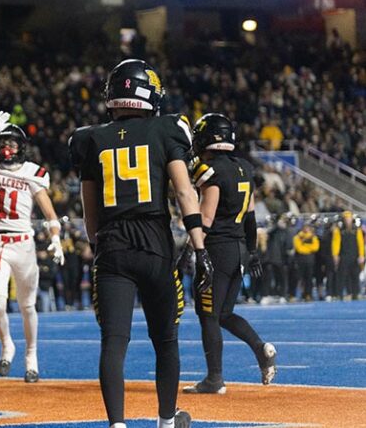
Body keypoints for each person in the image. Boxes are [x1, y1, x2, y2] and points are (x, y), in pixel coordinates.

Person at [69, 59, 214, 428]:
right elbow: (184, 192)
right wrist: (199, 247)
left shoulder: (91, 139)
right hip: (155, 246)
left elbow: (90, 214)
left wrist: (102, 246)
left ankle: (117, 424)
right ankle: (166, 421)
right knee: (165, 340)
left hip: (113, 246)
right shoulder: (167, 129)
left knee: (114, 342)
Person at [0, 115, 64, 383]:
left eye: (12, 143)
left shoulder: (33, 172)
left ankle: (32, 356)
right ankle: (7, 344)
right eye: (2, 142)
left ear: (22, 147)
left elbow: (49, 212)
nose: (7, 148)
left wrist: (55, 237)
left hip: (24, 245)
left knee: (27, 306)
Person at [182, 113, 276, 394]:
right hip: (238, 250)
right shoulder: (244, 168)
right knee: (224, 313)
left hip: (217, 249)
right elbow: (250, 217)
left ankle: (214, 379)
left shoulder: (212, 171)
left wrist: (190, 249)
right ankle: (261, 350)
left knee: (208, 315)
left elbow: (207, 217)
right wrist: (252, 251)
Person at [332, 211, 364, 300]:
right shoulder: (339, 230)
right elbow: (336, 243)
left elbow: (360, 243)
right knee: (341, 275)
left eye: (349, 218)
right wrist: (335, 255)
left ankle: (355, 293)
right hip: (343, 256)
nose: (347, 220)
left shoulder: (356, 230)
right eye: (346, 219)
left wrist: (361, 255)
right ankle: (340, 294)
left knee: (355, 275)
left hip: (354, 256)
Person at [292, 222, 320, 301]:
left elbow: (315, 248)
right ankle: (301, 294)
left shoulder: (313, 237)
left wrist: (305, 244)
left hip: (310, 260)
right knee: (300, 278)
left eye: (308, 227)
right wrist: (308, 247)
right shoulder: (297, 237)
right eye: (305, 227)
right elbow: (299, 248)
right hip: (300, 259)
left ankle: (309, 294)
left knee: (309, 278)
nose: (306, 229)